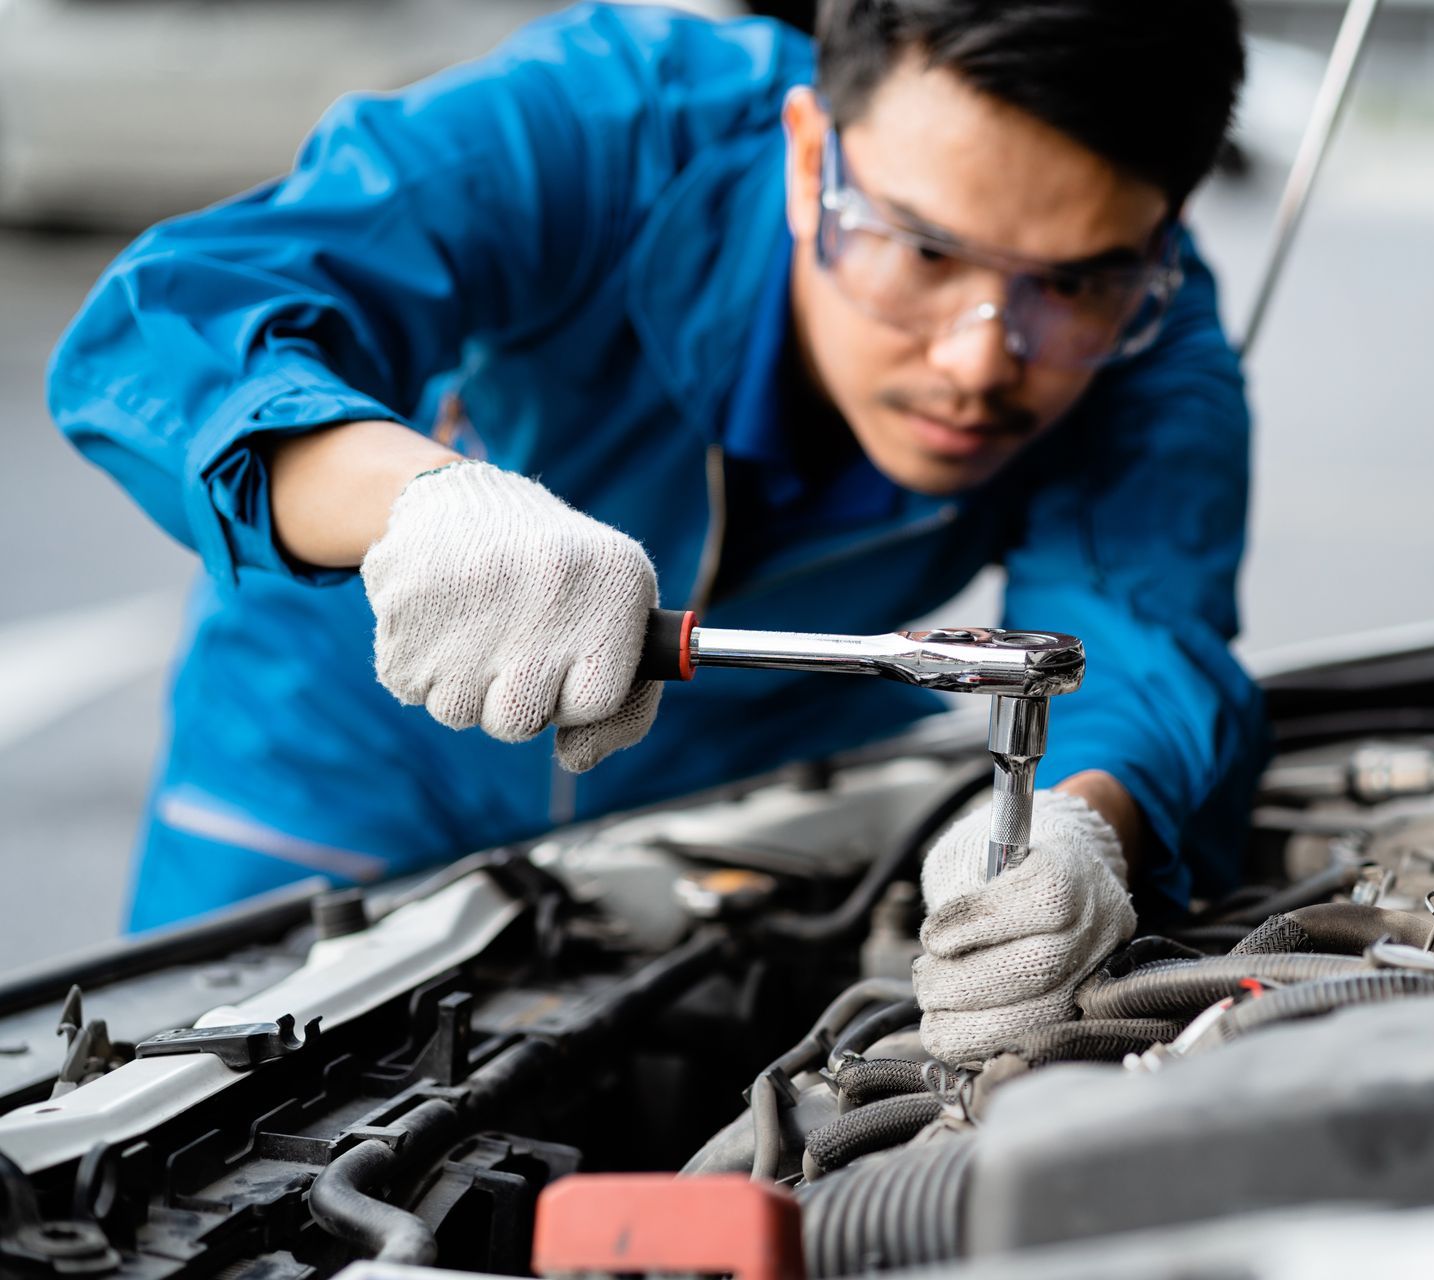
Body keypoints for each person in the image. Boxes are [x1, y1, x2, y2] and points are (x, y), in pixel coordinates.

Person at [47, 0, 1260, 1063]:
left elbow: (1142, 636)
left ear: (1155, 242)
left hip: (744, 793)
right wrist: (418, 501)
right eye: (926, 248)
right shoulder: (605, 121)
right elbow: (167, 326)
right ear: (805, 159)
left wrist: (1084, 825)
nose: (978, 359)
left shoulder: (1160, 350)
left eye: (1077, 282)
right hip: (338, 753)